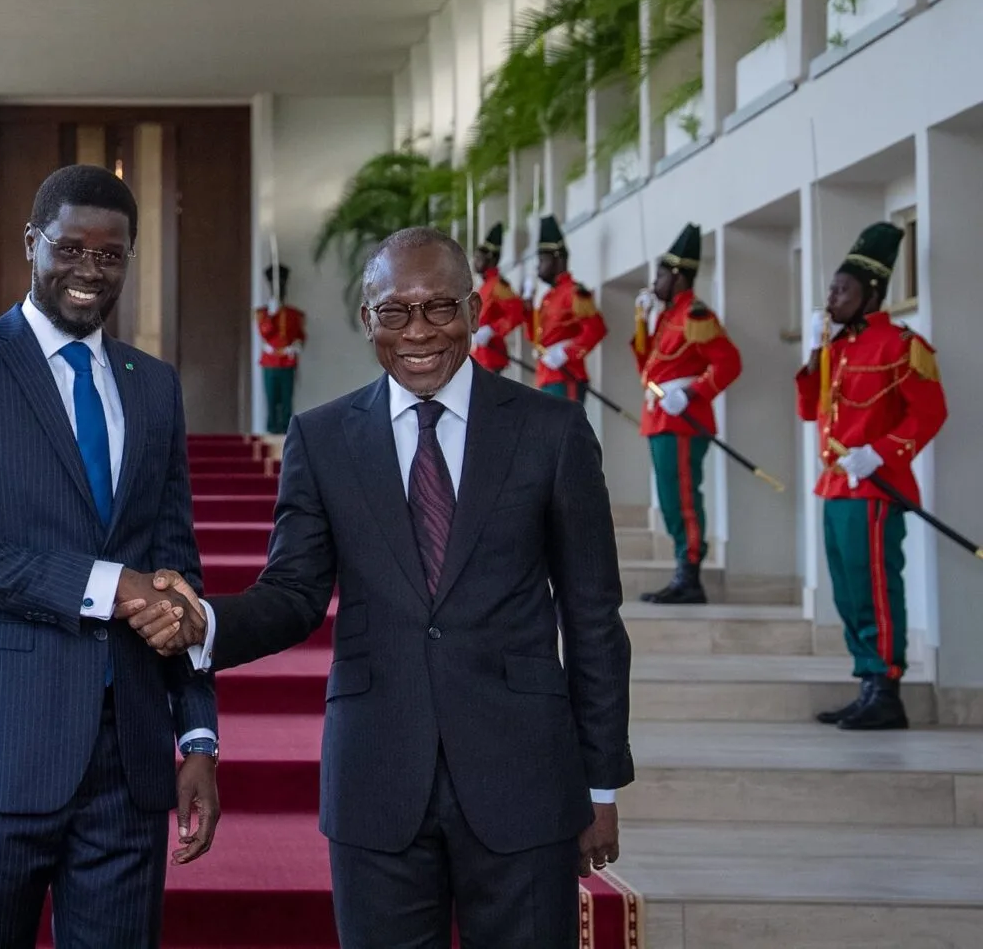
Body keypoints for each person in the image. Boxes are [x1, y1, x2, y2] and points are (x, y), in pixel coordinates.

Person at [129, 227, 632, 948]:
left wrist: (601, 783)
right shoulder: (324, 437)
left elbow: (592, 618)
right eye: (394, 312)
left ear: (476, 308)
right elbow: (294, 594)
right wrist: (203, 621)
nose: (419, 332)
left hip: (525, 777)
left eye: (440, 308)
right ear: (367, 319)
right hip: (376, 781)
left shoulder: (551, 431)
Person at [0, 164, 220, 949]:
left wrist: (199, 736)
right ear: (32, 243)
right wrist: (107, 586)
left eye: (110, 256)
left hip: (130, 761)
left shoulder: (155, 387)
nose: (89, 271)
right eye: (69, 248)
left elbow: (177, 568)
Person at [798, 221, 946, 731]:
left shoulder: (901, 345)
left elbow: (929, 414)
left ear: (872, 294)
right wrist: (818, 351)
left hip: (877, 489)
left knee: (876, 588)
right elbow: (807, 409)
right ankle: (867, 681)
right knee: (847, 590)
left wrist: (881, 453)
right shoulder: (837, 348)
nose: (832, 298)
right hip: (837, 485)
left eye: (844, 290)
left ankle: (887, 687)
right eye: (832, 289)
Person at [633, 224, 743, 604]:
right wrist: (643, 326)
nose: (656, 281)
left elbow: (729, 364)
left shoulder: (696, 315)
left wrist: (693, 391)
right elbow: (648, 369)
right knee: (669, 499)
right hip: (661, 418)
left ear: (678, 275)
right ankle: (682, 569)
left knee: (682, 498)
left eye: (661, 274)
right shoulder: (667, 318)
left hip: (683, 421)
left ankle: (690, 574)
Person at [525, 215, 607, 401]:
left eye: (542, 260)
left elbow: (596, 329)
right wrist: (527, 308)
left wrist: (566, 353)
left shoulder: (574, 292)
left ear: (558, 260)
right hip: (547, 376)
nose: (538, 267)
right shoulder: (546, 298)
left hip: (567, 376)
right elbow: (536, 338)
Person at [468, 222, 525, 374]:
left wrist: (493, 330)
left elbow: (517, 312)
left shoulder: (499, 285)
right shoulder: (484, 286)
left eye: (479, 258)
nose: (475, 262)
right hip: (480, 354)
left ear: (491, 260)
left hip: (492, 354)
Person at [256, 263, 306, 434]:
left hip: (287, 361)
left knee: (286, 400)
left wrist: (297, 345)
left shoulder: (294, 314)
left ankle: (286, 430)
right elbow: (265, 333)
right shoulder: (263, 314)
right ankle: (272, 429)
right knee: (271, 400)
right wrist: (271, 314)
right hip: (270, 363)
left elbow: (300, 335)